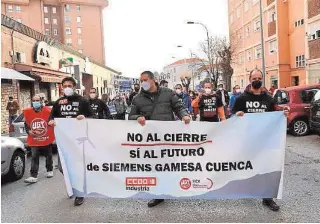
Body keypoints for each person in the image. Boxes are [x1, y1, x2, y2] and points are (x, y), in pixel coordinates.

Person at [129, 71, 190, 208]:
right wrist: (137, 118)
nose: (142, 83)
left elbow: (179, 107)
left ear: (153, 80)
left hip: (167, 137)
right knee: (154, 166)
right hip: (150, 138)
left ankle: (170, 186)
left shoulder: (168, 93)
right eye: (141, 80)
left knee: (168, 164)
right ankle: (158, 194)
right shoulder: (138, 99)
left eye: (145, 80)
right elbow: (131, 116)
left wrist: (184, 115)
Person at [232, 68, 290, 212]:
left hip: (265, 140)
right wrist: (236, 115)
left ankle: (268, 198)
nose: (256, 80)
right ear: (249, 79)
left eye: (259, 78)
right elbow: (232, 117)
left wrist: (283, 114)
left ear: (262, 79)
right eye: (254, 78)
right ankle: (248, 188)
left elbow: (275, 115)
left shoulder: (269, 98)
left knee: (267, 168)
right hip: (248, 140)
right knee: (250, 166)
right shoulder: (241, 99)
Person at [48, 77, 93, 206]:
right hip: (63, 141)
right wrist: (50, 122)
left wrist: (85, 117)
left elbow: (93, 117)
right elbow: (50, 118)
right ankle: (73, 185)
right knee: (63, 167)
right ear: (62, 87)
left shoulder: (82, 101)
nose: (67, 87)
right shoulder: (58, 102)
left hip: (79, 140)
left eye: (69, 85)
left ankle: (79, 193)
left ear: (74, 87)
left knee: (78, 167)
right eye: (65, 85)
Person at [24, 95, 55, 183]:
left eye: (37, 100)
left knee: (48, 155)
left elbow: (52, 122)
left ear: (41, 101)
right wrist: (29, 131)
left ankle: (49, 170)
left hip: (46, 138)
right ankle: (33, 176)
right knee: (34, 157)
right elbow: (26, 124)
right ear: (31, 101)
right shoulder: (28, 112)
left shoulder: (48, 111)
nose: (35, 102)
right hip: (34, 139)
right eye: (34, 100)